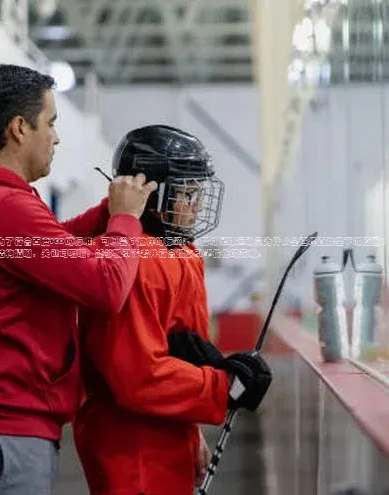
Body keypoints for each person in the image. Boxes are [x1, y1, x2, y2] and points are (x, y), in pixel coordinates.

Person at [0, 63, 157, 494]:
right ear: (19, 128)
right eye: (50, 122)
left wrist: (106, 213)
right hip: (0, 435)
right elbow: (106, 288)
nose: (57, 136)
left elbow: (46, 247)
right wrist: (124, 220)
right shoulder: (2, 207)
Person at [72, 124, 273, 495]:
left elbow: (181, 351)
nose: (197, 205)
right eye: (187, 193)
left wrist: (192, 427)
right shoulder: (133, 259)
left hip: (168, 437)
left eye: (199, 192)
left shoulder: (183, 253)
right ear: (151, 195)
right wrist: (221, 387)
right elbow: (137, 377)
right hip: (132, 449)